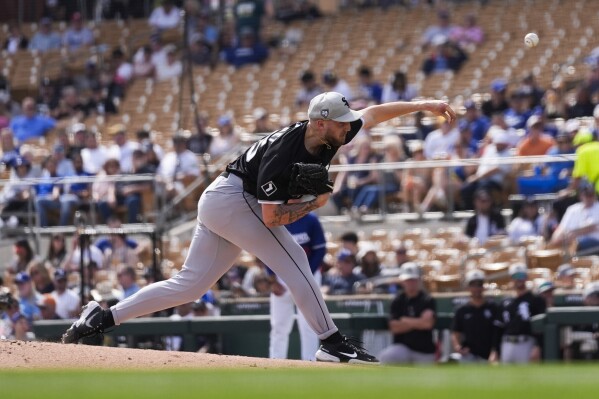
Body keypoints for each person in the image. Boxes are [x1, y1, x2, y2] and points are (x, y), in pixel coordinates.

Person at [61, 90, 455, 364]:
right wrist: (313, 203)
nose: (348, 128)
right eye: (341, 123)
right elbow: (270, 218)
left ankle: (101, 318)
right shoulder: (286, 152)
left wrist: (425, 105)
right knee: (294, 257)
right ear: (320, 124)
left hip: (227, 200)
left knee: (190, 285)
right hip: (234, 200)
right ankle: (331, 342)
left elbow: (373, 114)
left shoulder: (335, 129)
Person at [269, 212, 326, 361]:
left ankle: (309, 361)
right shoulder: (274, 218)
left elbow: (320, 249)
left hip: (308, 275)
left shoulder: (311, 219)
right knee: (279, 324)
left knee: (308, 324)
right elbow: (265, 250)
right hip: (282, 275)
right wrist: (271, 277)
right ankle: (276, 362)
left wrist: (307, 275)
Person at [379, 262, 437, 364]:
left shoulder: (427, 299)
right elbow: (394, 328)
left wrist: (405, 320)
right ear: (402, 281)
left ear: (418, 280)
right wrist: (419, 322)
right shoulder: (398, 300)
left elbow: (427, 324)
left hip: (424, 350)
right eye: (408, 280)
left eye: (413, 280)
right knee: (387, 356)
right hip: (403, 348)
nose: (410, 283)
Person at [497, 263, 546, 364]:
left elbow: (542, 326)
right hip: (507, 343)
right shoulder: (505, 301)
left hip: (527, 342)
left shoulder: (536, 300)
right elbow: (499, 327)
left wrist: (538, 346)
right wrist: (495, 350)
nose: (518, 279)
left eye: (521, 275)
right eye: (515, 276)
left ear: (526, 277)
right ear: (511, 278)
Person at [451, 269, 500, 363]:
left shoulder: (493, 308)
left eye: (479, 284)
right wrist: (458, 347)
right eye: (473, 285)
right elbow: (455, 332)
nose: (476, 288)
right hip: (469, 354)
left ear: (483, 287)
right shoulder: (462, 310)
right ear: (468, 287)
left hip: (489, 355)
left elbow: (498, 333)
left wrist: (495, 352)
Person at [550, 180, 599, 256]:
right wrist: (555, 239)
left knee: (582, 243)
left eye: (591, 194)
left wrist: (573, 234)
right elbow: (562, 228)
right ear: (581, 196)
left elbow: (593, 227)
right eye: (586, 195)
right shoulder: (572, 209)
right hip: (570, 244)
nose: (589, 198)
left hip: (594, 245)